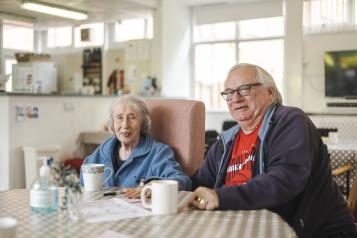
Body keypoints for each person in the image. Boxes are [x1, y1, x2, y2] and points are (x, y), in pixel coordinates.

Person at [187, 63, 357, 238]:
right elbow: (199, 182)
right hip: (245, 229)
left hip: (310, 232)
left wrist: (221, 197)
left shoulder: (290, 121)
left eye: (244, 89)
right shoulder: (225, 142)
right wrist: (163, 186)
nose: (235, 98)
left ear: (270, 92)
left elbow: (285, 179)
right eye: (229, 93)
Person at [79, 94, 191, 197]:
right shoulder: (104, 150)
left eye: (132, 117)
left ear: (143, 122)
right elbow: (82, 183)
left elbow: (183, 181)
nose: (125, 125)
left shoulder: (158, 152)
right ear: (113, 122)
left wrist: (155, 187)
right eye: (119, 117)